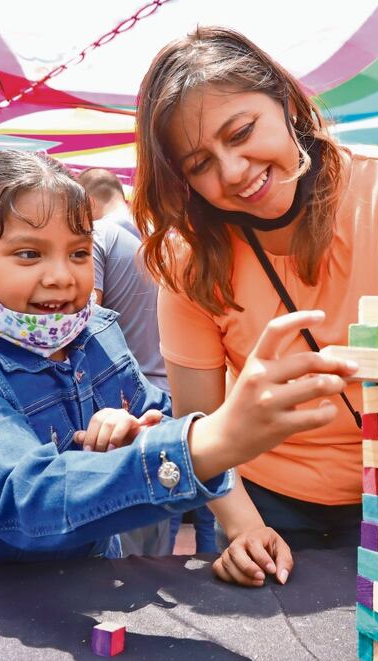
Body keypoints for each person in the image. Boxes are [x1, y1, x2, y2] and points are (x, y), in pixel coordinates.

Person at [132, 26, 378, 606]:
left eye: (242, 132)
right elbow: (200, 419)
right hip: (262, 501)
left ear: (286, 102)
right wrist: (243, 529)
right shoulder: (184, 256)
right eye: (200, 164)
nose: (235, 171)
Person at [0, 148, 357, 564]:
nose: (62, 276)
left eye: (78, 253)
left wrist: (244, 525)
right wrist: (203, 445)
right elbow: (27, 500)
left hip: (93, 583)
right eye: (29, 254)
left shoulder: (97, 332)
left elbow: (157, 416)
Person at [77, 167, 215, 555]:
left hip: (131, 409)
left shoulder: (100, 236)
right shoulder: (167, 242)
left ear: (87, 203)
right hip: (186, 398)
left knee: (150, 540)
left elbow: (85, 319)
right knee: (208, 512)